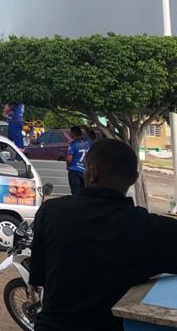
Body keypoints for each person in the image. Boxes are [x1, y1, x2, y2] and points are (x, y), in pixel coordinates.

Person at [30, 139, 177, 331]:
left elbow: (39, 277)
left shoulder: (50, 212)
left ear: (91, 171)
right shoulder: (149, 227)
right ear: (134, 178)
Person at [66, 126, 92, 194]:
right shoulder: (88, 142)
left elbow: (69, 159)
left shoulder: (73, 144)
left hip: (74, 169)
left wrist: (68, 166)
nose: (70, 134)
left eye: (70, 133)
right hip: (85, 170)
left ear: (73, 134)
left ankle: (76, 204)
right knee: (84, 192)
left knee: (75, 192)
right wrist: (87, 129)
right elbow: (90, 137)